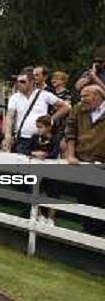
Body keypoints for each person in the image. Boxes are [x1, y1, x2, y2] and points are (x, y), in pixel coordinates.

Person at [65, 85, 105, 236]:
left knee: (101, 198)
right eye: (81, 96)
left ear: (97, 96)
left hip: (101, 162)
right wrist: (70, 155)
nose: (82, 100)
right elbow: (70, 131)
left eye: (85, 96)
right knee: (84, 196)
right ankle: (87, 231)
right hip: (82, 160)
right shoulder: (78, 109)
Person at [3, 73, 70, 155]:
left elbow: (66, 107)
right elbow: (10, 117)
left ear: (31, 82)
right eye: (17, 82)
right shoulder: (14, 97)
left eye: (22, 81)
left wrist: (51, 119)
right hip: (21, 138)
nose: (18, 84)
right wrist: (7, 135)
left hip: (39, 139)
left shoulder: (44, 95)